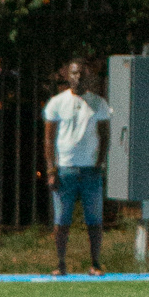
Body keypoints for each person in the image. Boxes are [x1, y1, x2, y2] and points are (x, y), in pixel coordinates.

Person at [43, 56, 111, 278]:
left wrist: (99, 163)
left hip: (90, 170)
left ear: (87, 76)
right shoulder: (57, 103)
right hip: (65, 170)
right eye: (74, 73)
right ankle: (60, 263)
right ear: (67, 75)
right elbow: (49, 139)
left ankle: (95, 263)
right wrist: (51, 169)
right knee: (62, 221)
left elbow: (105, 135)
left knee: (94, 220)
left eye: (82, 73)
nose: (78, 77)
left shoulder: (98, 104)